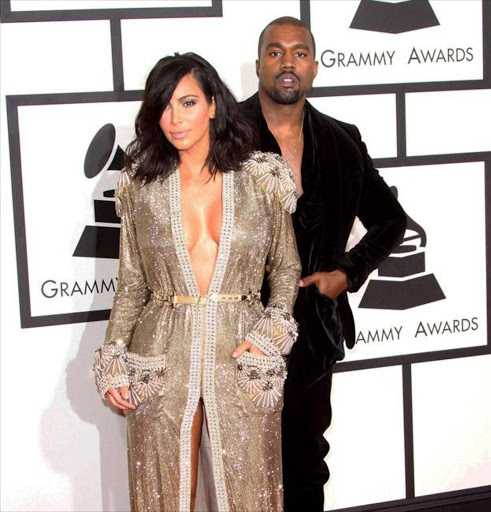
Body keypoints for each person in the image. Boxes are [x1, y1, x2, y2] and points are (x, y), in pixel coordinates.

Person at [92, 53, 301, 512]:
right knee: (166, 493)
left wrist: (270, 334)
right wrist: (112, 358)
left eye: (187, 103)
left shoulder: (260, 178)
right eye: (164, 106)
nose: (174, 118)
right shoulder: (139, 185)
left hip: (242, 353)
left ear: (212, 104)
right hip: (161, 354)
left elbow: (286, 268)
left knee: (249, 493)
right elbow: (131, 286)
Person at [241, 17, 408, 511]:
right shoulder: (224, 137)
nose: (287, 62)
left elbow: (390, 221)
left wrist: (348, 273)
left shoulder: (341, 140)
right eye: (275, 52)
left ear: (313, 67)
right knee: (242, 460)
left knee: (306, 459)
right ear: (258, 66)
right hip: (238, 328)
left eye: (298, 53)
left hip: (313, 330)